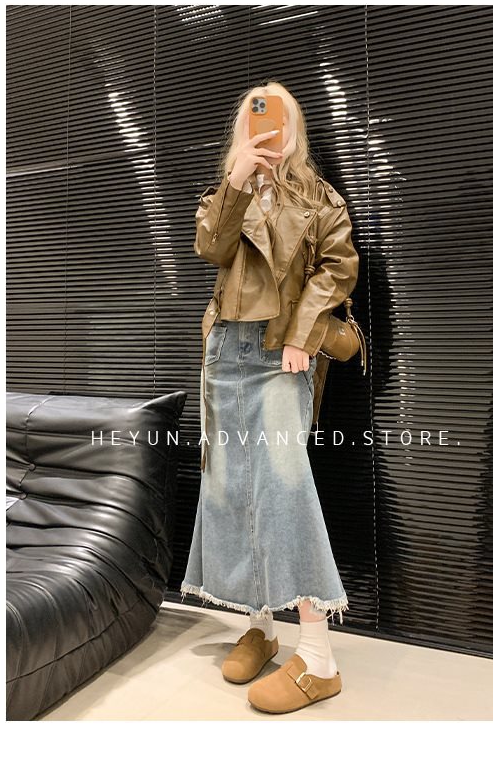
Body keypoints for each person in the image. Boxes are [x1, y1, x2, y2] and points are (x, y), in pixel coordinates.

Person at [180, 81, 359, 713]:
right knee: (229, 487)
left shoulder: (318, 196)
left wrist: (303, 334)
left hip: (280, 350)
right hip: (225, 351)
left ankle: (318, 655)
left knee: (283, 484)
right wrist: (236, 178)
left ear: (293, 126)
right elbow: (210, 248)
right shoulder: (223, 192)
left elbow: (338, 267)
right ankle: (260, 626)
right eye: (253, 118)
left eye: (275, 117)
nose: (265, 128)